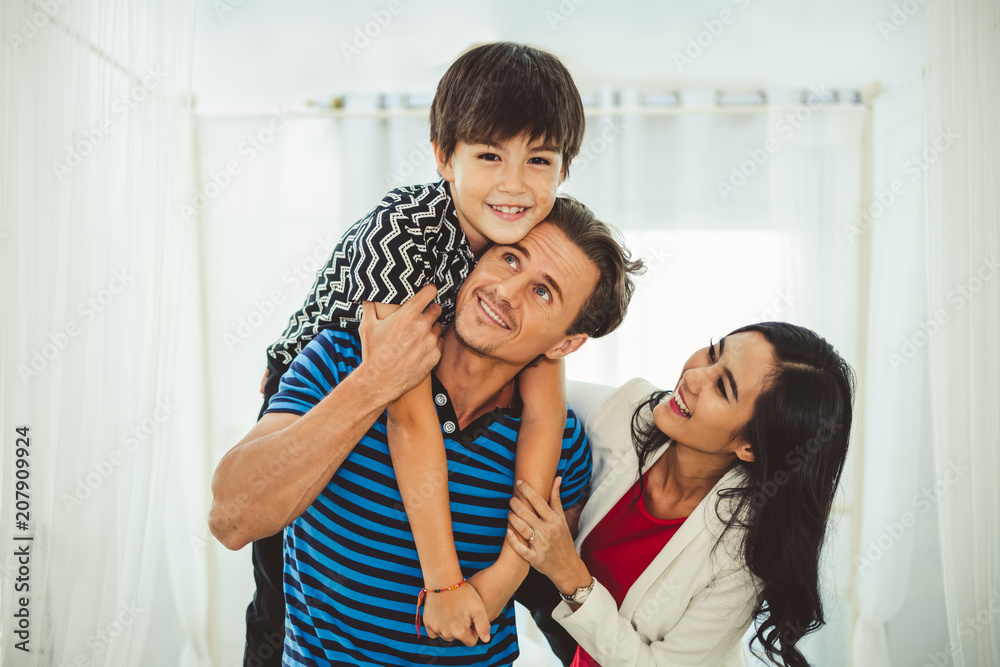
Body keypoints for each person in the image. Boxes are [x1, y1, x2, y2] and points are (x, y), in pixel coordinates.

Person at [242, 42, 587, 665]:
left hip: (414, 392)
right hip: (326, 384)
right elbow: (405, 409)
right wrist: (447, 584)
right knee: (276, 604)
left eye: (538, 160)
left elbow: (545, 403)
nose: (514, 183)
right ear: (443, 158)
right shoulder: (403, 236)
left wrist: (507, 573)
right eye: (489, 156)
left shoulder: (537, 241)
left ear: (563, 170)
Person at [210, 201, 645, 665]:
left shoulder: (563, 449)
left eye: (543, 292)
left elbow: (547, 598)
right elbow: (230, 519)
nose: (505, 290)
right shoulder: (342, 362)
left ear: (565, 343)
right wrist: (374, 383)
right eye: (511, 258)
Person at [506, 322, 855, 666]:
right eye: (713, 352)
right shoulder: (631, 410)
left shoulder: (743, 554)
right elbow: (520, 390)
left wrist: (569, 573)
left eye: (723, 387)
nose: (693, 376)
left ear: (750, 445)